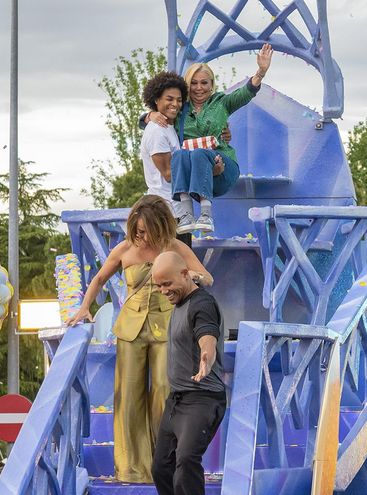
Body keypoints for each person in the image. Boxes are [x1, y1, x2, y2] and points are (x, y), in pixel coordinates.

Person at [69, 195, 213, 483]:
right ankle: (132, 469)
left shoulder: (175, 248)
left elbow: (207, 278)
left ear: (160, 227)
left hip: (169, 330)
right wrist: (84, 307)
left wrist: (192, 276)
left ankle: (165, 466)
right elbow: (98, 280)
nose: (140, 236)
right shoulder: (125, 249)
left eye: (145, 231)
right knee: (128, 397)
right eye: (136, 230)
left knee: (164, 392)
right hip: (131, 330)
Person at [145, 44, 274, 233]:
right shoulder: (181, 110)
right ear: (187, 86)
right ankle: (186, 215)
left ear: (211, 85)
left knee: (198, 153)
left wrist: (261, 72)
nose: (199, 88)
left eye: (204, 83)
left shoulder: (221, 103)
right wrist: (148, 116)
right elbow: (161, 114)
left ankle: (206, 214)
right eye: (194, 83)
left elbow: (245, 92)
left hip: (222, 167)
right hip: (198, 172)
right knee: (182, 155)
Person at [150, 251, 226, 495]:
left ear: (184, 275)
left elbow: (207, 337)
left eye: (167, 283)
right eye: (159, 285)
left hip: (203, 399)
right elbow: (193, 278)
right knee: (161, 468)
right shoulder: (182, 298)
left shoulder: (202, 304)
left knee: (186, 463)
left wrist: (207, 356)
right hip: (177, 400)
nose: (163, 290)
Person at [140, 71, 222, 247]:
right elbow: (169, 174)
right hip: (164, 212)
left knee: (182, 269)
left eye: (178, 100)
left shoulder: (170, 126)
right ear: (156, 100)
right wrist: (205, 169)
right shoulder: (156, 131)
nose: (175, 104)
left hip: (179, 213)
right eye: (169, 99)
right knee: (169, 269)